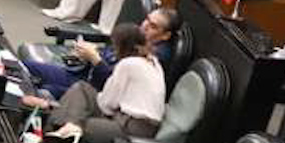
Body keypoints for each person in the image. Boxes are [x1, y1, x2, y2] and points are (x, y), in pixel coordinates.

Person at [21, 22, 166, 143]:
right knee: (83, 88)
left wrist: (57, 108)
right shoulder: (153, 61)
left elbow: (107, 105)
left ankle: (53, 135)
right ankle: (60, 129)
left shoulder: (128, 64)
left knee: (77, 121)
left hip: (132, 128)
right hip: (130, 119)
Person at [23, 6, 178, 99]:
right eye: (147, 20)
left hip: (94, 90)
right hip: (81, 74)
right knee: (26, 67)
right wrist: (89, 52)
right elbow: (112, 53)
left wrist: (95, 58)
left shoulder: (153, 58)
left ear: (165, 35)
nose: (144, 26)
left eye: (153, 26)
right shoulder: (138, 37)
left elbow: (112, 85)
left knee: (46, 91)